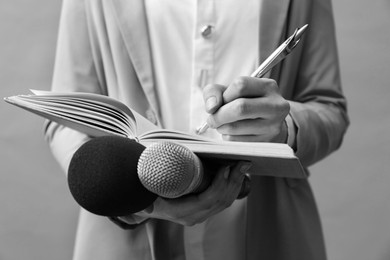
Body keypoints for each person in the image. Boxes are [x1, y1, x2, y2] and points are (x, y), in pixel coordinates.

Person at [44, 0, 349, 259]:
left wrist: (282, 129)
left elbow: (329, 109)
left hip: (269, 230)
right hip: (127, 241)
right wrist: (133, 200)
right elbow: (64, 121)